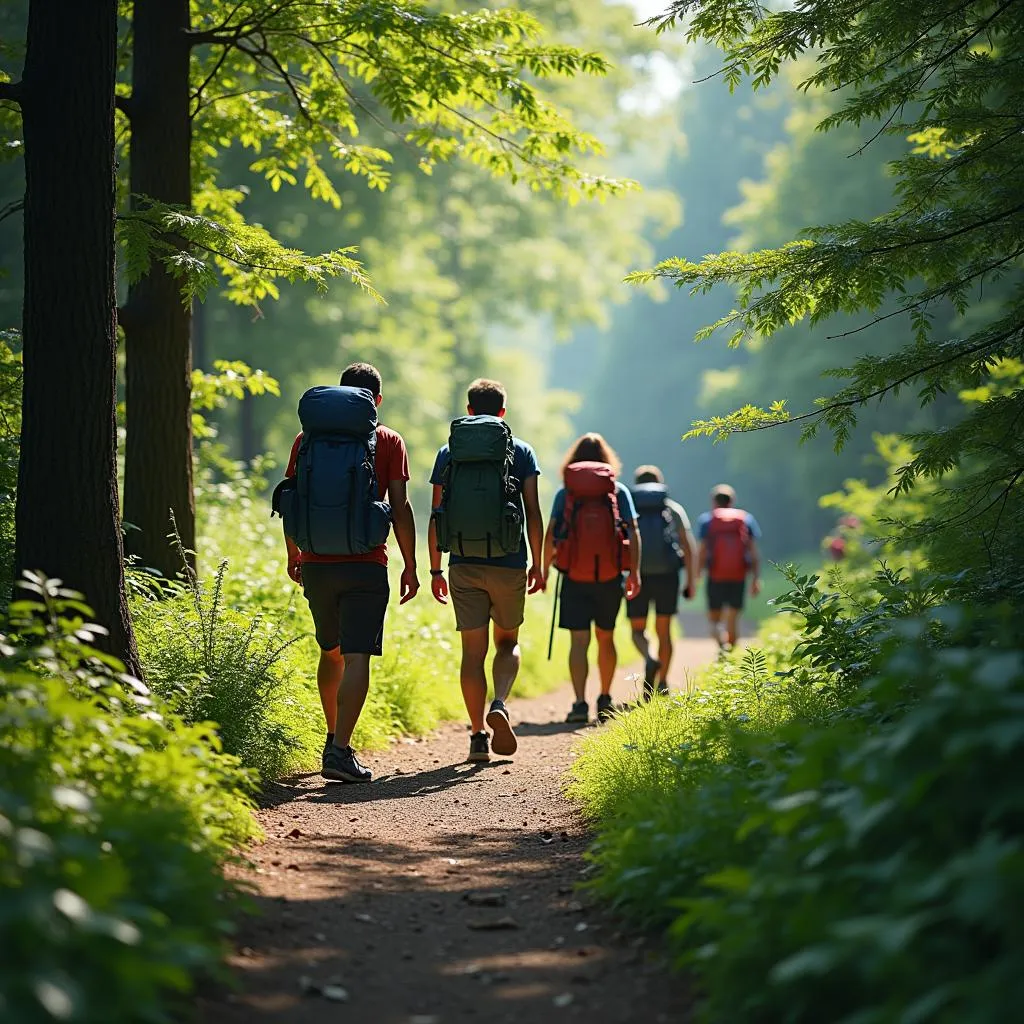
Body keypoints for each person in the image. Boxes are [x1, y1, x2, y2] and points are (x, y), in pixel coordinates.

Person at [282, 362, 419, 783]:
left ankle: (331, 738)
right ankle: (339, 749)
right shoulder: (388, 440)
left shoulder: (307, 439)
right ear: (375, 400)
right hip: (366, 562)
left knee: (331, 652)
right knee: (358, 655)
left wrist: (294, 555)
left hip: (317, 562)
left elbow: (291, 499)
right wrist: (412, 565)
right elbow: (400, 505)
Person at [428, 379, 545, 763]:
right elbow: (532, 512)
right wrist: (540, 565)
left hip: (462, 561)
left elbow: (436, 515)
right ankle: (499, 702)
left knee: (471, 653)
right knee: (507, 643)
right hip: (509, 562)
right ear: (502, 412)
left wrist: (433, 569)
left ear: (469, 408)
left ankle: (477, 736)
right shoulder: (521, 451)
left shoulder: (449, 451)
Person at [542, 433, 641, 724]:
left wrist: (543, 568)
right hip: (610, 576)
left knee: (579, 641)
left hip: (573, 576)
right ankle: (606, 697)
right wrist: (634, 571)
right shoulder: (618, 491)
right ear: (607, 461)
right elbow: (633, 532)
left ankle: (579, 703)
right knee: (606, 637)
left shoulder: (566, 493)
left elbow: (552, 533)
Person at [627, 465, 697, 698]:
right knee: (664, 631)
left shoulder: (630, 506)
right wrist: (691, 580)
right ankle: (663, 682)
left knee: (638, 630)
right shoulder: (671, 509)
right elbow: (687, 545)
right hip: (668, 576)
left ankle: (649, 658)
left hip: (637, 575)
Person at [695, 484, 761, 652]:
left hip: (715, 575)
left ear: (713, 502)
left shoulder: (707, 521)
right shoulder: (746, 519)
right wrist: (755, 579)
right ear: (732, 501)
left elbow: (702, 551)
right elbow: (753, 552)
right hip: (738, 575)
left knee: (714, 619)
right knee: (733, 617)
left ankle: (722, 645)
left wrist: (697, 574)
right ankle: (731, 653)